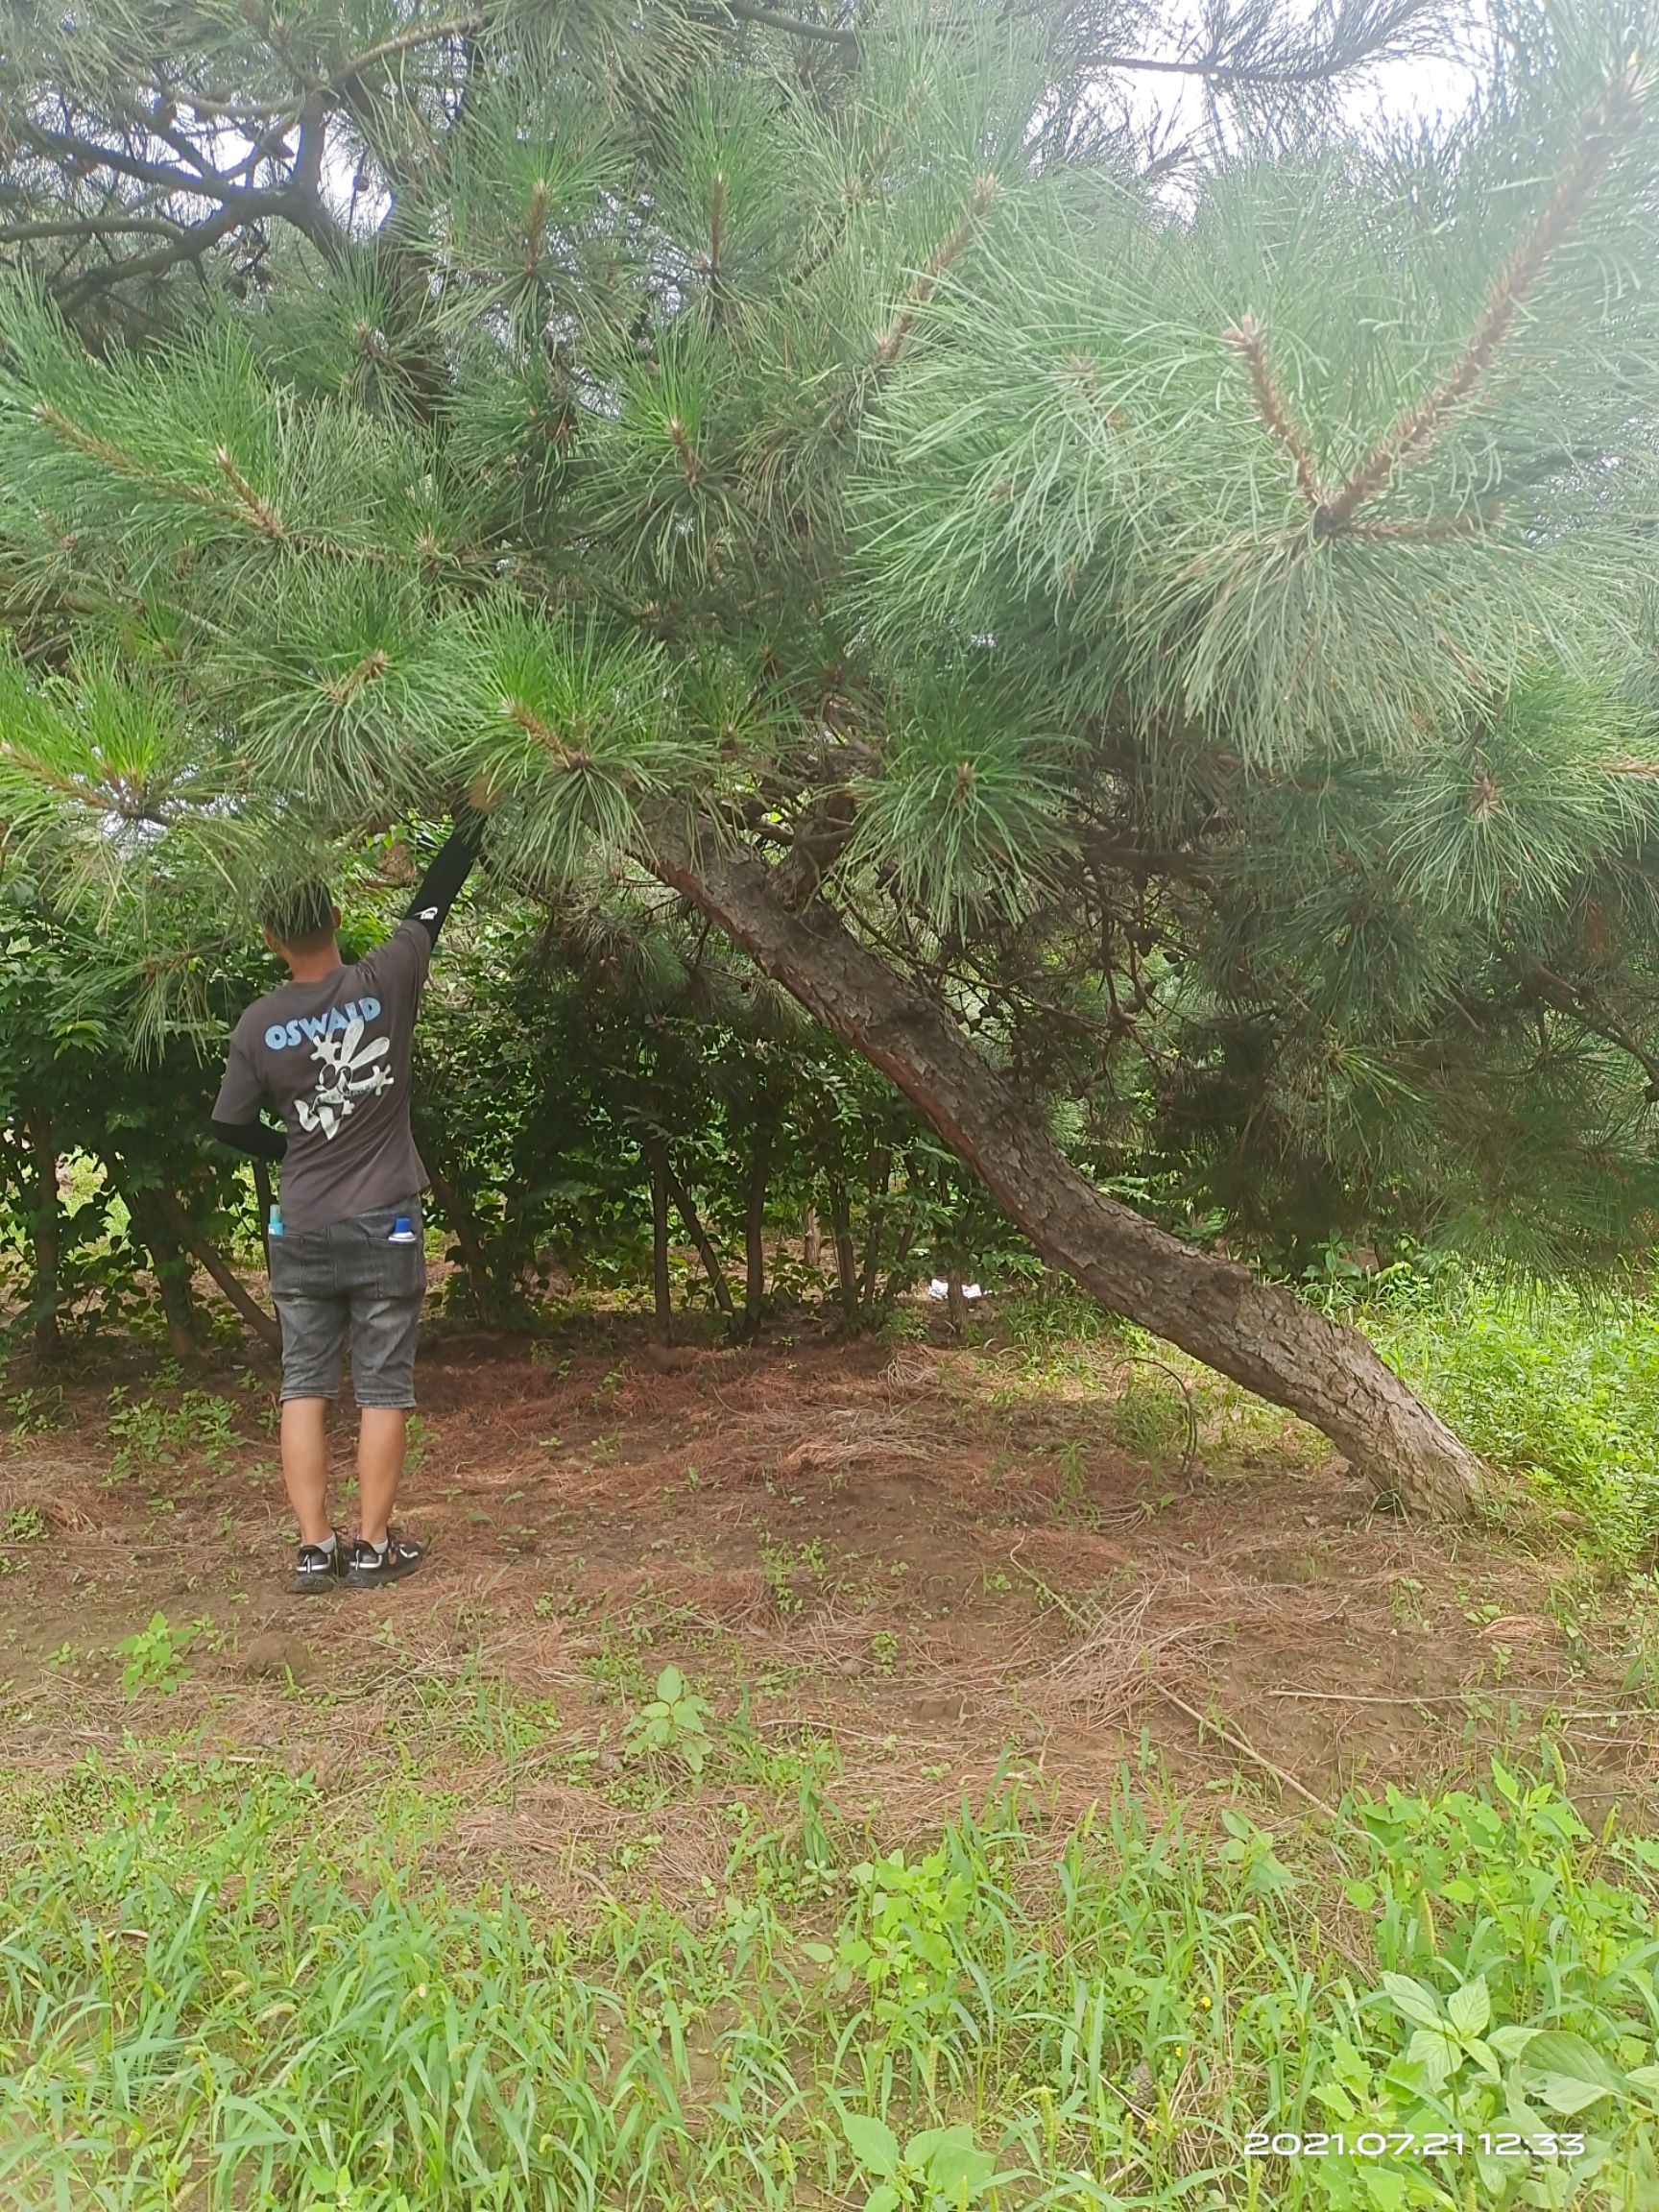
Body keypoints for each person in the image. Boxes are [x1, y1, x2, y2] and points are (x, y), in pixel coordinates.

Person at [210, 823, 481, 1593]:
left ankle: (312, 1547)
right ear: (335, 919)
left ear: (271, 938)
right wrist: (475, 816)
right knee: (384, 1384)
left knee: (304, 1381)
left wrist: (289, 1152)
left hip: (301, 1227)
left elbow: (226, 1125)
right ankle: (371, 1547)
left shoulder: (259, 1024)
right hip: (385, 1221)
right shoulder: (384, 979)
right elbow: (434, 898)